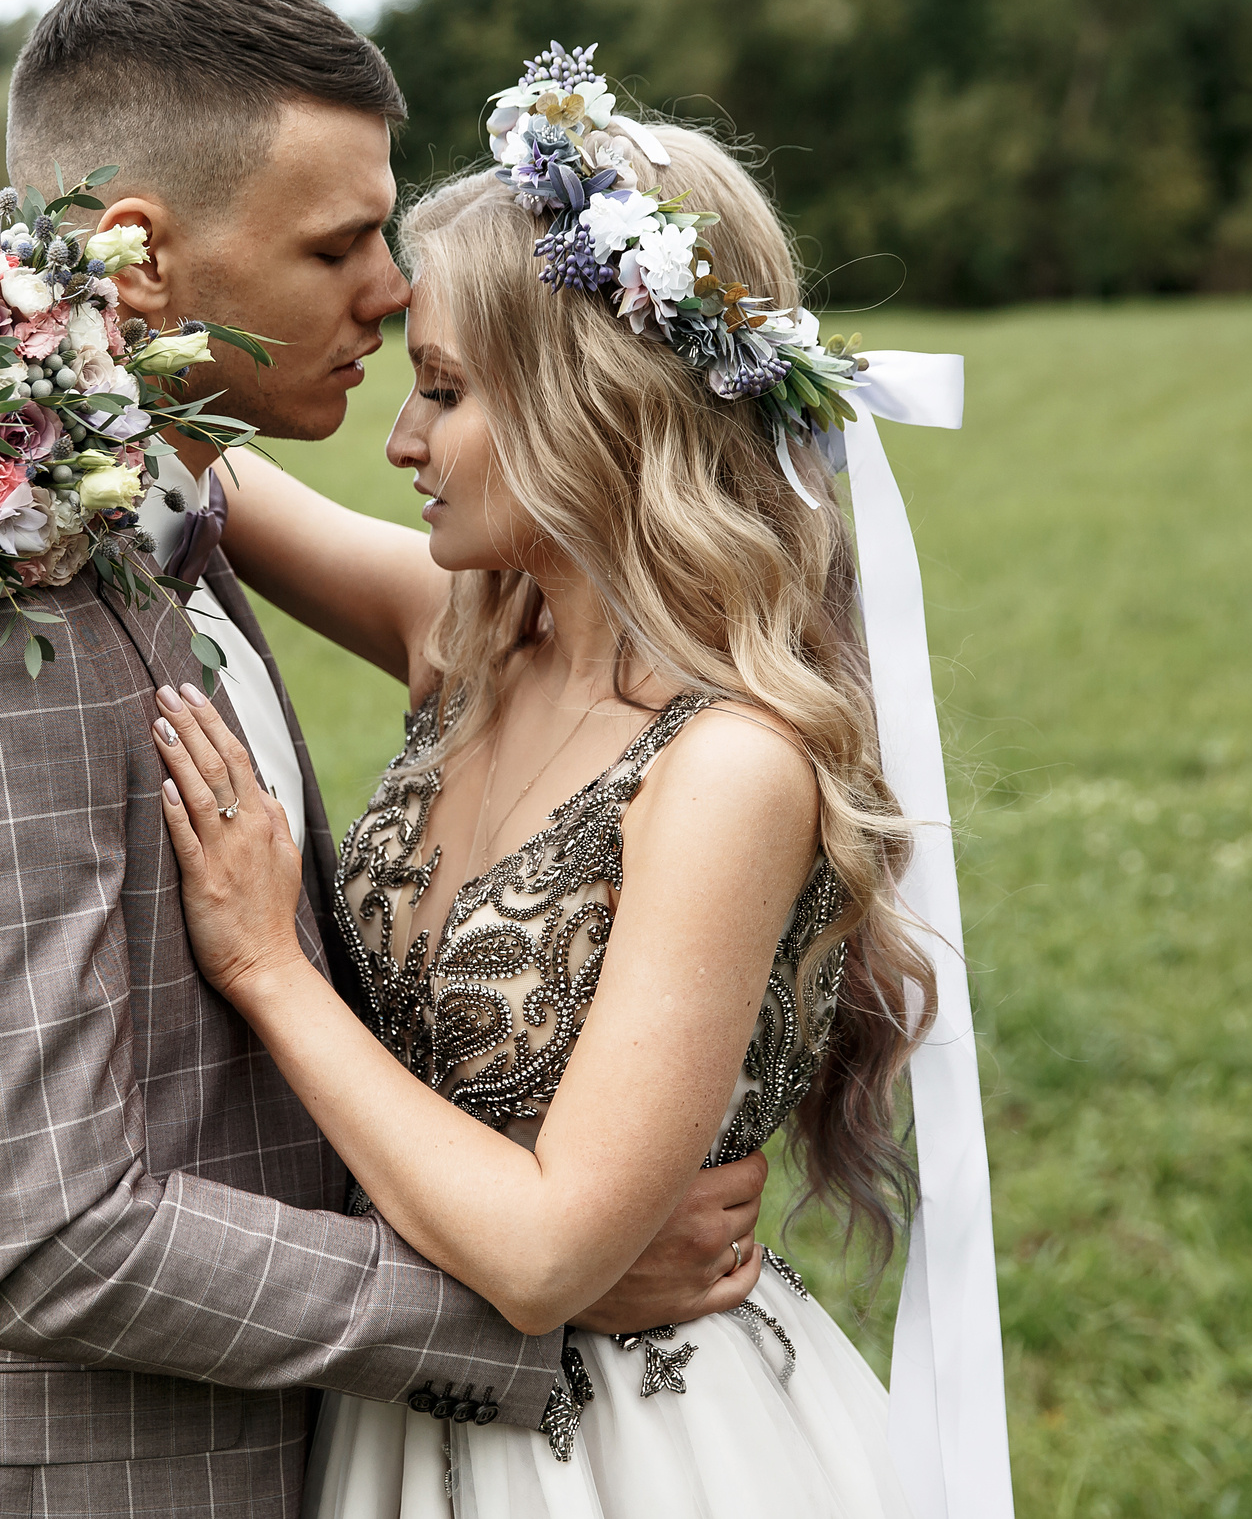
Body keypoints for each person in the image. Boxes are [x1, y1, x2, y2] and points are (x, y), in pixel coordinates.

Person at [0, 0, 770, 1519]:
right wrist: (533, 1307)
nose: (392, 289)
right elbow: (53, 1235)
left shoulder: (145, 480)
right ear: (141, 257)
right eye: (343, 243)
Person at [149, 111, 940, 1515]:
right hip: (397, 1412)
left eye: (443, 392)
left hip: (637, 1454)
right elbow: (177, 444)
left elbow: (543, 1253)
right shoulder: (465, 638)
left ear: (598, 402)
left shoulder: (726, 766)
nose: (399, 440)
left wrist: (271, 969)